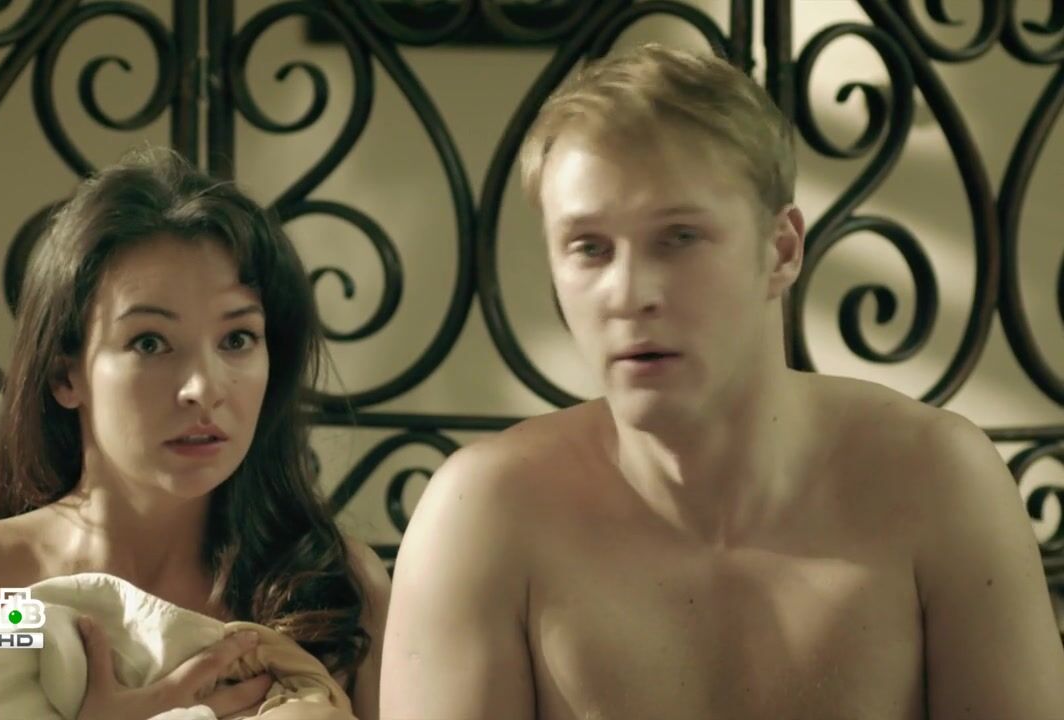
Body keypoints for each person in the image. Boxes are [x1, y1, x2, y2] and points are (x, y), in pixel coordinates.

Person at [380, 44, 1064, 719]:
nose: (630, 293)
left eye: (679, 237)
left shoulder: (937, 483)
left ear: (782, 250)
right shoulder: (484, 516)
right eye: (589, 247)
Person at [0, 148, 390, 719]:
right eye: (149, 343)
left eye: (237, 339)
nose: (203, 388)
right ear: (65, 375)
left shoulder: (333, 590)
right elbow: (0, 671)